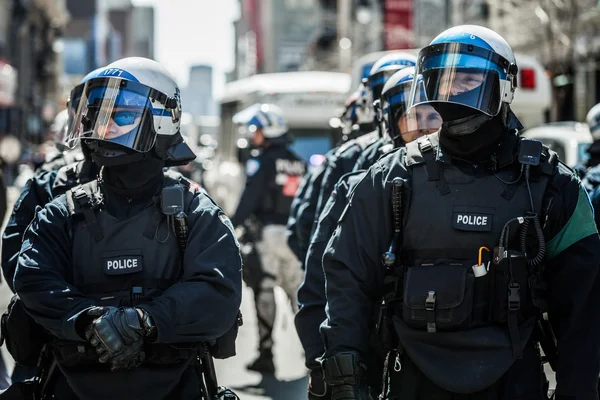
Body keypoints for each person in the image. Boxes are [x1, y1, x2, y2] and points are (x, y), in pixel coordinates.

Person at [320, 25, 600, 400]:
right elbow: (347, 277)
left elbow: (585, 307)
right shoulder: (392, 177)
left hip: (512, 380)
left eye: (467, 80)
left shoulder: (551, 184)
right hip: (412, 377)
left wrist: (577, 390)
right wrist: (345, 372)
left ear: (503, 88)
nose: (454, 92)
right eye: (444, 81)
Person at [12, 57, 242, 399]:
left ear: (162, 121)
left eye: (121, 116)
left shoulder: (195, 211)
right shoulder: (61, 212)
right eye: (99, 117)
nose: (105, 129)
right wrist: (88, 320)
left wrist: (144, 321)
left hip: (176, 387)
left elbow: (218, 292)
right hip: (71, 386)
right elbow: (31, 278)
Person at [296, 67, 442, 400]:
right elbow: (324, 278)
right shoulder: (361, 184)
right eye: (411, 116)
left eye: (432, 115)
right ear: (391, 122)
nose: (422, 126)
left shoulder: (477, 182)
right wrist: (323, 363)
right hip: (375, 353)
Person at [230, 103, 307, 373]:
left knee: (264, 290)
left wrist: (229, 227)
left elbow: (248, 200)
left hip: (268, 236)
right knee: (298, 296)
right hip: (295, 236)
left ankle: (266, 355)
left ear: (269, 130)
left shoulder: (261, 161)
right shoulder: (297, 160)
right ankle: (316, 355)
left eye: (257, 129)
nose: (254, 134)